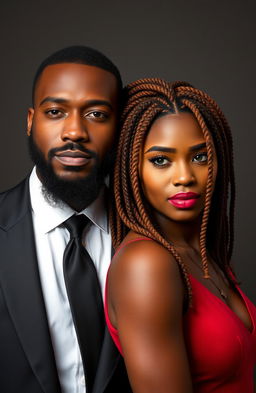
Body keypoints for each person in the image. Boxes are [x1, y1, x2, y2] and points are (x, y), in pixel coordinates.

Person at [105, 78, 256, 392]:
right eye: (161, 161)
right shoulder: (146, 264)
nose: (185, 176)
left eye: (200, 157)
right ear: (131, 169)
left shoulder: (199, 250)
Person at [0, 46, 132, 393]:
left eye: (97, 115)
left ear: (120, 127)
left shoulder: (151, 235)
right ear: (30, 121)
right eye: (56, 111)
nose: (74, 132)